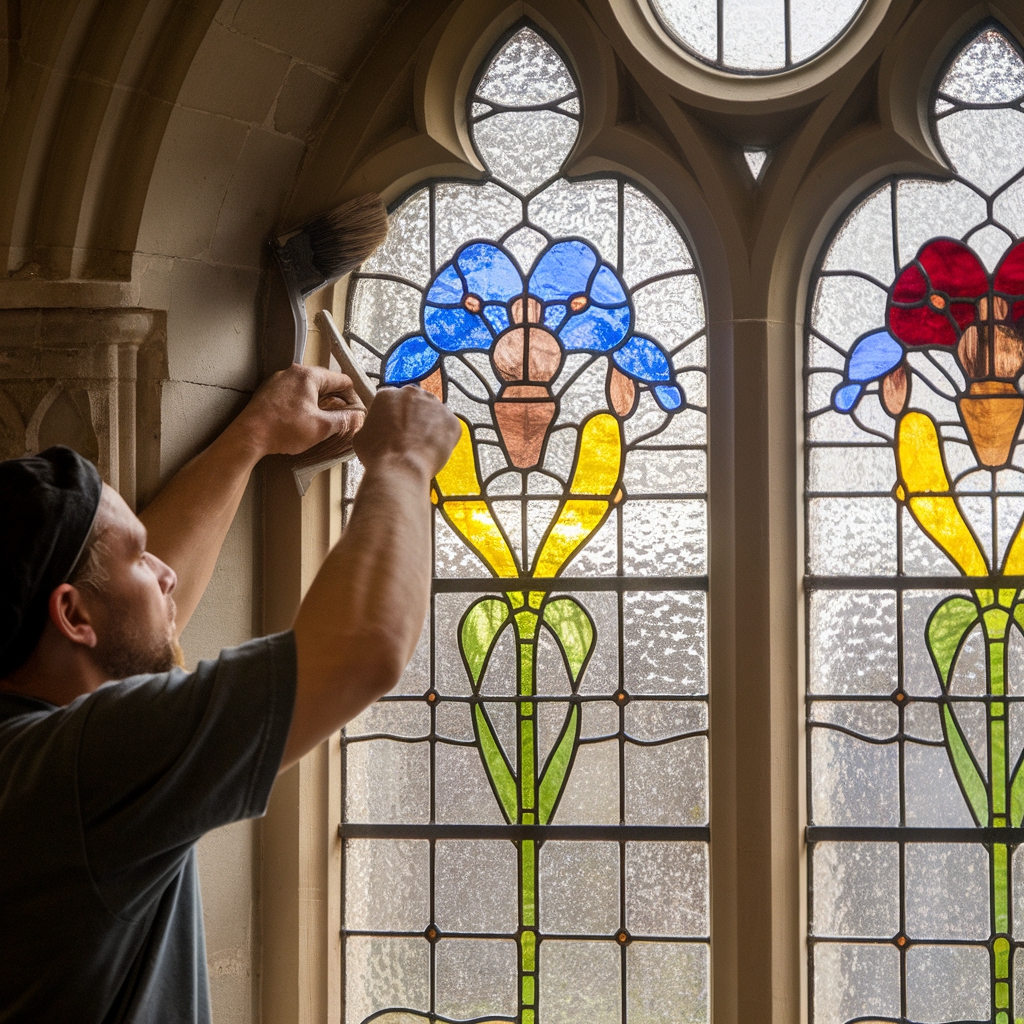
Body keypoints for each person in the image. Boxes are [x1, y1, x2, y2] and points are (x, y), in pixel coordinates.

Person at [0, 363, 461, 1024]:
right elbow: (358, 652)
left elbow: (133, 628)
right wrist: (403, 461)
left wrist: (256, 435)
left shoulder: (32, 748)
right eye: (137, 556)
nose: (164, 570)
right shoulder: (79, 771)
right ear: (72, 616)